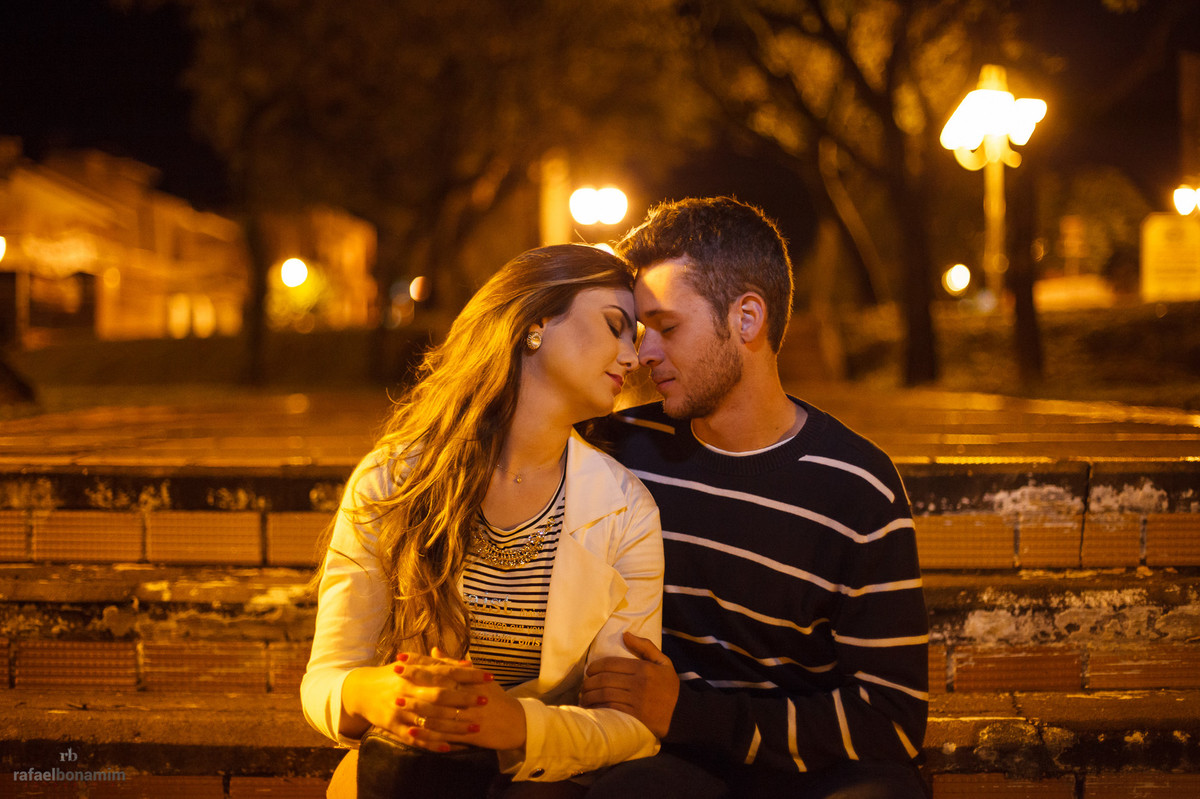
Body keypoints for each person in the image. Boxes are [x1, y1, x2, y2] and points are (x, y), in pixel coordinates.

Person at [579, 197, 929, 798]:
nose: (643, 354)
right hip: (674, 765)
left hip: (814, 776)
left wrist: (693, 715)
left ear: (746, 319)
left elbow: (891, 717)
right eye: (641, 330)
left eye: (666, 326)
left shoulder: (856, 484)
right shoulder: (620, 452)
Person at [301, 244, 664, 798]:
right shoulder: (394, 477)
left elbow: (629, 723)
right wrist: (378, 694)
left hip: (536, 783)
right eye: (616, 327)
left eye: (633, 338)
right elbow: (327, 677)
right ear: (534, 323)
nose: (631, 356)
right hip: (405, 772)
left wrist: (516, 725)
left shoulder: (624, 508)